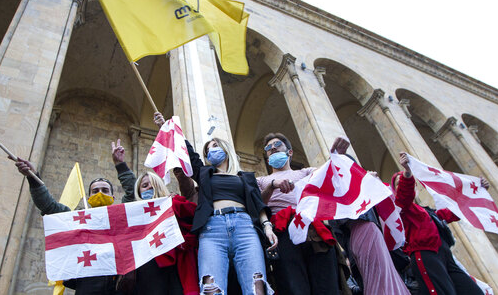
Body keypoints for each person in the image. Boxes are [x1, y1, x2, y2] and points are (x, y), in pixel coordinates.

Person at [154, 112, 277, 295]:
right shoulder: (204, 174)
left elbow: (258, 204)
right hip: (212, 230)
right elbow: (188, 153)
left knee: (256, 287)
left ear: (226, 150)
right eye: (208, 150)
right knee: (211, 289)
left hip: (245, 228)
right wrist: (166, 128)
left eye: (215, 145)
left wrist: (267, 227)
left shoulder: (245, 177)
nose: (211, 150)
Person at [12, 157, 122, 295]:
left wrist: (121, 165)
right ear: (88, 198)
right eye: (95, 191)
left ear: (113, 197)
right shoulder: (76, 220)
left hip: (119, 287)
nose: (100, 193)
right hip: (86, 286)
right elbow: (49, 206)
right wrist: (32, 177)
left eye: (105, 190)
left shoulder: (123, 220)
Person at [256, 132, 349, 295]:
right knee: (293, 285)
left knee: (326, 284)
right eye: (268, 148)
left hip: (314, 230)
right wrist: (272, 185)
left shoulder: (305, 172)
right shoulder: (261, 181)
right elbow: (257, 205)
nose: (272, 149)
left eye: (277, 145)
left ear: (289, 152)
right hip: (282, 233)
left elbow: (327, 174)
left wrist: (336, 157)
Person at [111, 139, 198, 295]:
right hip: (145, 271)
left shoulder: (174, 203)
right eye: (144, 186)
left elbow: (193, 214)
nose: (149, 187)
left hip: (173, 270)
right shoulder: (133, 213)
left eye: (152, 184)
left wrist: (174, 205)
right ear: (139, 191)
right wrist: (120, 166)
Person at [394, 152, 485, 295]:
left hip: (445, 256)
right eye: (398, 184)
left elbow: (453, 212)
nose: (405, 185)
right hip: (425, 255)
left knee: (473, 291)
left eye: (412, 184)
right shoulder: (400, 209)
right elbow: (404, 196)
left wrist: (478, 191)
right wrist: (407, 172)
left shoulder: (428, 212)